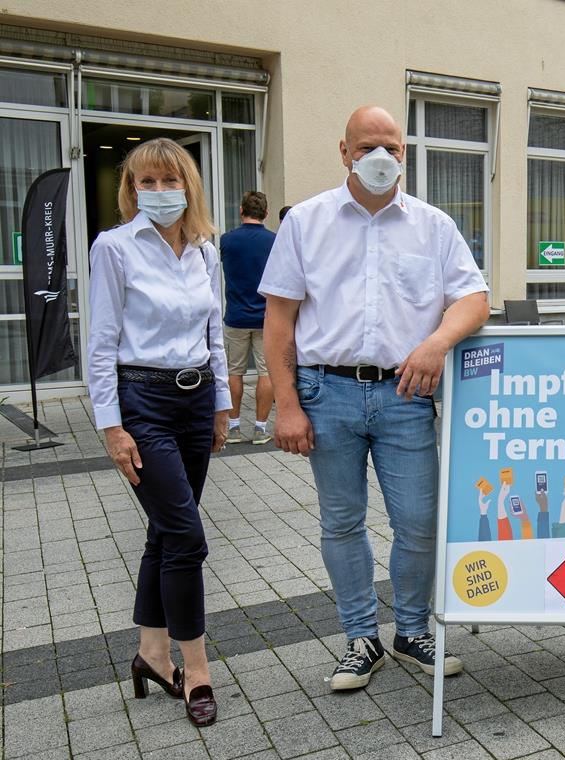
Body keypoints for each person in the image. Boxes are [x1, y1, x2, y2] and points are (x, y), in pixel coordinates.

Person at [260, 106, 489, 689]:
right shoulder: (306, 222)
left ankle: (411, 631)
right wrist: (286, 404)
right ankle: (360, 638)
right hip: (324, 391)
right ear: (344, 152)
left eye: (390, 146)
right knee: (342, 521)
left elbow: (473, 299)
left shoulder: (433, 226)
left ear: (405, 154)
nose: (379, 157)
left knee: (418, 523)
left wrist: (437, 342)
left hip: (406, 395)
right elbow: (280, 319)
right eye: (366, 146)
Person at [87, 137, 230, 727]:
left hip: (197, 403)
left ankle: (149, 654)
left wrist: (221, 403)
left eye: (170, 181)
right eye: (146, 183)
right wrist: (111, 427)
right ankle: (195, 671)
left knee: (164, 536)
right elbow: (100, 346)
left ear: (189, 186)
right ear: (131, 190)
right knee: (188, 539)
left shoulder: (205, 250)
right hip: (142, 401)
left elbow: (214, 331)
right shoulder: (115, 248)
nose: (159, 193)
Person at [220, 190, 276, 445]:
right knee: (267, 373)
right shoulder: (274, 241)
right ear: (265, 213)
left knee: (234, 372)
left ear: (241, 211)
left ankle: (232, 428)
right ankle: (260, 428)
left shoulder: (226, 240)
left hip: (235, 317)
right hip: (266, 317)